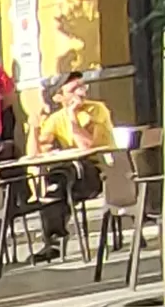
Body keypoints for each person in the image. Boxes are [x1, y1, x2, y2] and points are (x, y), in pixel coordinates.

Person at [29, 77, 116, 260]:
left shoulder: (96, 109)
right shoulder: (55, 119)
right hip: (71, 174)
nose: (81, 92)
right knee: (55, 184)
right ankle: (53, 242)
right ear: (59, 97)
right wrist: (34, 129)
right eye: (74, 89)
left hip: (101, 171)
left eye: (82, 87)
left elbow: (87, 147)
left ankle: (54, 240)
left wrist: (72, 119)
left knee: (61, 180)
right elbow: (35, 155)